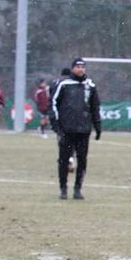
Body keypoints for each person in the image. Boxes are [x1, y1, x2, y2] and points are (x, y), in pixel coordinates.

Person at [50, 58, 101, 200]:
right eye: (78, 66)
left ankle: (78, 189)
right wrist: (56, 125)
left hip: (84, 130)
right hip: (67, 129)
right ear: (72, 68)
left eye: (83, 67)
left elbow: (95, 106)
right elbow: (53, 103)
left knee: (82, 160)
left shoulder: (90, 85)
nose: (80, 69)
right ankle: (63, 188)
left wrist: (97, 126)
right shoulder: (64, 84)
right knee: (64, 160)